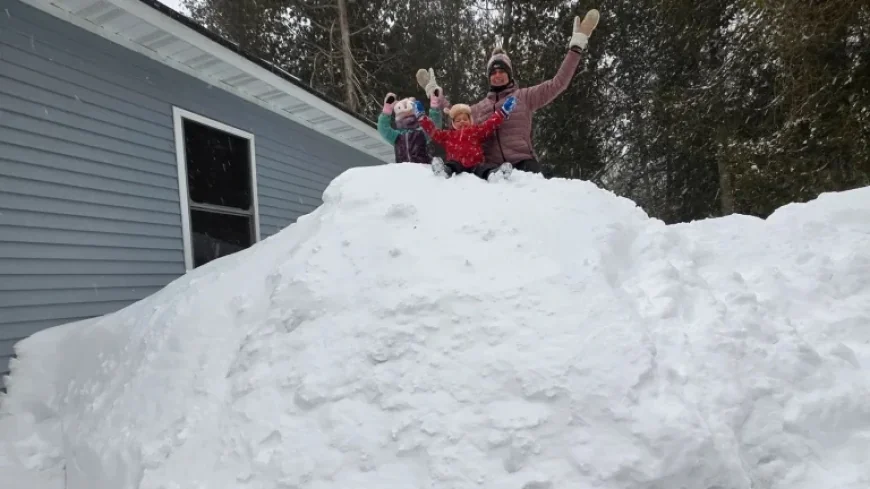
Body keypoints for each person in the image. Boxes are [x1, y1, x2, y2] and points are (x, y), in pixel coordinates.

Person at [416, 9, 600, 174]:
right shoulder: (480, 108)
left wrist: (576, 47)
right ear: (489, 77)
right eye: (493, 72)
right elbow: (454, 112)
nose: (498, 75)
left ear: (510, 74)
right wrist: (433, 91)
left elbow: (557, 84)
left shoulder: (525, 97)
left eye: (502, 71)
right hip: (493, 170)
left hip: (524, 164)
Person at [413, 96, 517, 181]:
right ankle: (443, 171)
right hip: (456, 163)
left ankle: (495, 175)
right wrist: (422, 118)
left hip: (475, 164)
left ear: (470, 120)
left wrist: (502, 112)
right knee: (451, 165)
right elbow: (433, 132)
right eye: (458, 120)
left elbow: (490, 125)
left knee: (484, 168)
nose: (462, 121)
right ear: (453, 124)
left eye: (465, 119)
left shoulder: (476, 131)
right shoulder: (448, 135)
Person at [377, 89, 445, 164]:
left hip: (423, 170)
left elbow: (434, 128)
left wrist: (435, 109)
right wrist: (386, 112)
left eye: (411, 117)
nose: (408, 120)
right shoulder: (397, 136)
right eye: (404, 117)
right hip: (404, 171)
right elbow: (383, 129)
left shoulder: (421, 133)